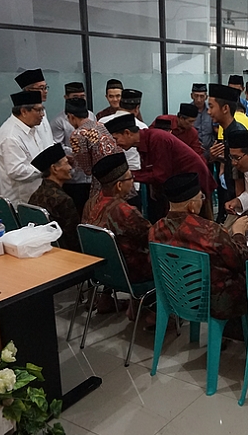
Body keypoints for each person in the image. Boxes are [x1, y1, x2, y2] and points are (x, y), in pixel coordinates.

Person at [149, 172, 248, 326]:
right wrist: (239, 233)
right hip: (214, 303)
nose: (202, 201)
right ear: (191, 205)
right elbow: (241, 260)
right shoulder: (210, 231)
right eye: (201, 197)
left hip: (175, 296)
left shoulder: (155, 230)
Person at [104, 114, 216, 222]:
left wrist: (127, 175)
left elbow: (160, 175)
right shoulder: (144, 141)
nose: (116, 144)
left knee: (198, 223)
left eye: (116, 139)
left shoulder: (156, 139)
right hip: (178, 183)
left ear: (127, 133)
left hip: (193, 183)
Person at [84, 153, 153, 312]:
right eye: (131, 178)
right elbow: (151, 238)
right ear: (119, 185)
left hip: (100, 271)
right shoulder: (125, 211)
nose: (133, 181)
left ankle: (106, 299)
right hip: (128, 274)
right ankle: (151, 310)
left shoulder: (90, 203)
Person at [66, 97, 127, 215]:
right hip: (122, 175)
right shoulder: (101, 125)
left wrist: (73, 160)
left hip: (103, 180)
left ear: (71, 116)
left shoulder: (78, 134)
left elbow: (87, 170)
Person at [0, 90, 48, 206]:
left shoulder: (31, 128)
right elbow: (16, 171)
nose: (42, 114)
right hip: (21, 202)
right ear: (24, 111)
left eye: (42, 109)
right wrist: (44, 168)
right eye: (38, 110)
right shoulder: (11, 136)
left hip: (37, 195)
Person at [50, 82, 96, 215]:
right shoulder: (58, 121)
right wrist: (76, 152)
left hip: (92, 177)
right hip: (73, 176)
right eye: (75, 97)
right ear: (66, 97)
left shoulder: (91, 115)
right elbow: (56, 146)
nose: (79, 100)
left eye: (82, 96)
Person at [28, 142, 81, 252]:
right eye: (67, 163)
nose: (70, 167)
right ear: (55, 168)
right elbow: (73, 239)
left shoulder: (36, 194)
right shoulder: (63, 200)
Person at [97, 89, 146, 203]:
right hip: (132, 182)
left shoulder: (101, 122)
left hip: (107, 182)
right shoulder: (141, 127)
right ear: (137, 108)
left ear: (120, 103)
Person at [207, 84, 247, 223]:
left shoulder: (237, 134)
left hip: (239, 203)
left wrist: (239, 206)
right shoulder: (227, 130)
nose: (208, 112)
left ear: (225, 108)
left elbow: (240, 175)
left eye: (211, 107)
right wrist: (216, 157)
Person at [14, 68, 54, 149]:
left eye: (46, 87)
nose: (45, 91)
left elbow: (47, 139)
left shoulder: (42, 110)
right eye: (41, 88)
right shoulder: (27, 115)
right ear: (28, 90)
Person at [190, 83, 216, 158]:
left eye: (201, 96)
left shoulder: (212, 110)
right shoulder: (187, 111)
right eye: (196, 96)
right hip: (192, 152)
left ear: (206, 97)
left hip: (210, 152)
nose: (199, 100)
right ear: (191, 96)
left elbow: (216, 131)